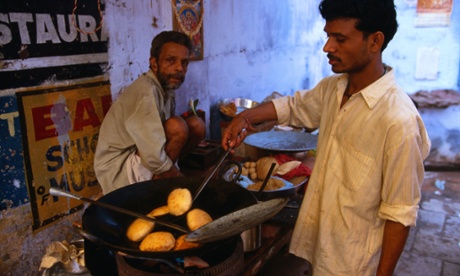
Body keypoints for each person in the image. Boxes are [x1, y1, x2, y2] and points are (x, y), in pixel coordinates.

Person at [221, 0, 431, 275]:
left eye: (340, 39)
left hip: (355, 262)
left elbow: (400, 213)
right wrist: (245, 117)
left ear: (375, 41)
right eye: (328, 36)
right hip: (323, 247)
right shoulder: (334, 88)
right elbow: (295, 106)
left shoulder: (398, 121)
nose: (327, 47)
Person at [94, 31, 205, 194]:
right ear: (154, 64)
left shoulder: (165, 86)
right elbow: (154, 156)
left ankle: (165, 178)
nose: (179, 68)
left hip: (142, 154)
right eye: (171, 60)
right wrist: (184, 184)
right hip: (118, 171)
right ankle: (157, 190)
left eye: (184, 62)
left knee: (197, 125)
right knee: (177, 127)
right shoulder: (147, 92)